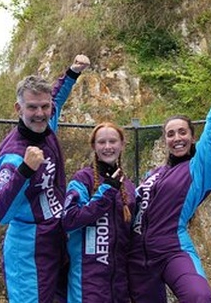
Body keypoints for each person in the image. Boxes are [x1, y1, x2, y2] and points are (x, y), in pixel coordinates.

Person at [127, 55, 211, 303]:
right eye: (170, 134)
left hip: (172, 248)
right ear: (165, 140)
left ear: (192, 137)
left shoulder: (199, 168)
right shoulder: (152, 174)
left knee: (200, 297)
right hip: (137, 257)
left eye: (182, 132)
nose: (177, 138)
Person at [0, 54, 91, 303]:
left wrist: (72, 73)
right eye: (32, 107)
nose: (40, 113)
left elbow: (56, 96)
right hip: (28, 248)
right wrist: (25, 171)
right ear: (18, 109)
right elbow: (0, 213)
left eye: (44, 107)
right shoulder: (12, 156)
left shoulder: (47, 126)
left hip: (57, 237)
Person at [62, 122, 137, 303]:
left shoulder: (128, 185)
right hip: (87, 280)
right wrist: (106, 192)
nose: (108, 147)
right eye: (101, 142)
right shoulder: (82, 179)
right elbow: (69, 220)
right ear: (94, 146)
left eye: (113, 141)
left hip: (119, 282)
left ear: (122, 144)